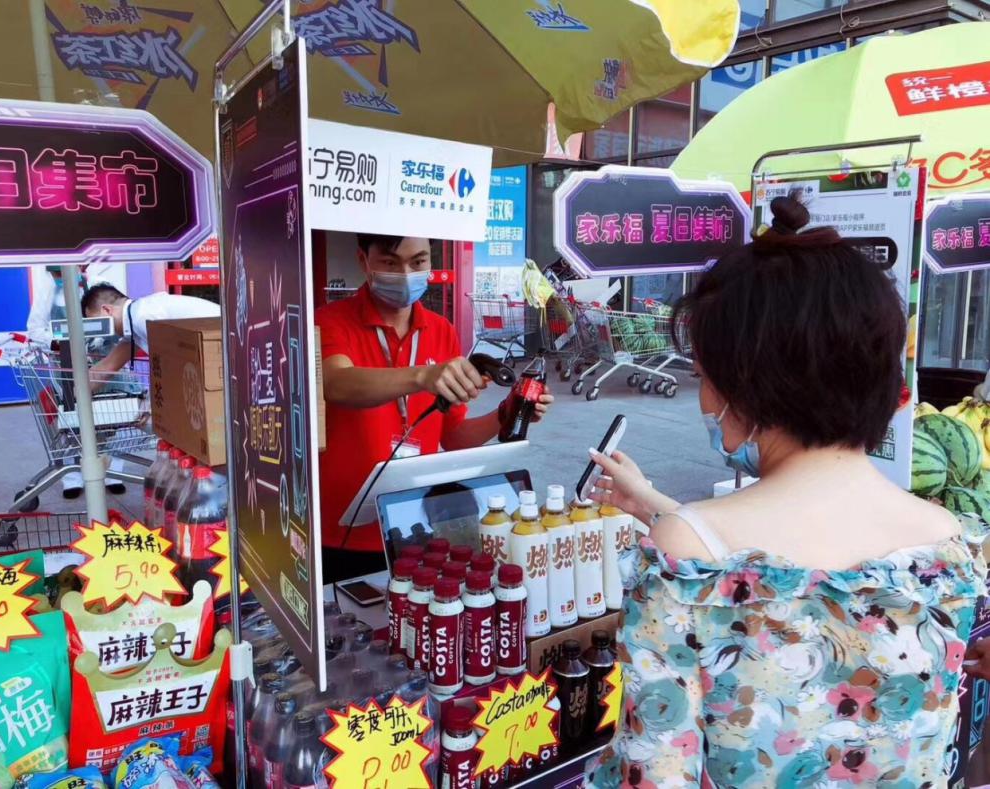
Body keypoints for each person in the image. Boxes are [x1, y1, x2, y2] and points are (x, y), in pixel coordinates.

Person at [584, 197, 987, 787]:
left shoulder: (686, 560)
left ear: (746, 384)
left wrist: (673, 526)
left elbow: (655, 771)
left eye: (704, 376)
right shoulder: (947, 546)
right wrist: (657, 507)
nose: (704, 399)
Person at [317, 235, 553, 581]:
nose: (405, 274)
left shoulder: (441, 330)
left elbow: (453, 436)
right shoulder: (329, 321)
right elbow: (337, 383)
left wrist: (506, 413)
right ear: (363, 261)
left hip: (414, 525)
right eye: (390, 262)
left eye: (418, 261)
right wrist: (422, 376)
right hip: (341, 533)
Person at [27, 264, 128, 497]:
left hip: (106, 364)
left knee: (111, 420)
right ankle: (72, 478)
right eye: (56, 272)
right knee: (73, 424)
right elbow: (34, 329)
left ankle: (114, 472)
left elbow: (119, 319)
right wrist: (58, 341)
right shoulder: (48, 290)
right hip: (68, 367)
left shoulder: (99, 284)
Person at [81, 284, 219, 377]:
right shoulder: (135, 319)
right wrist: (74, 392)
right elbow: (108, 365)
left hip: (221, 347)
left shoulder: (142, 317)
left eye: (96, 321)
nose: (100, 332)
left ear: (107, 310)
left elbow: (174, 365)